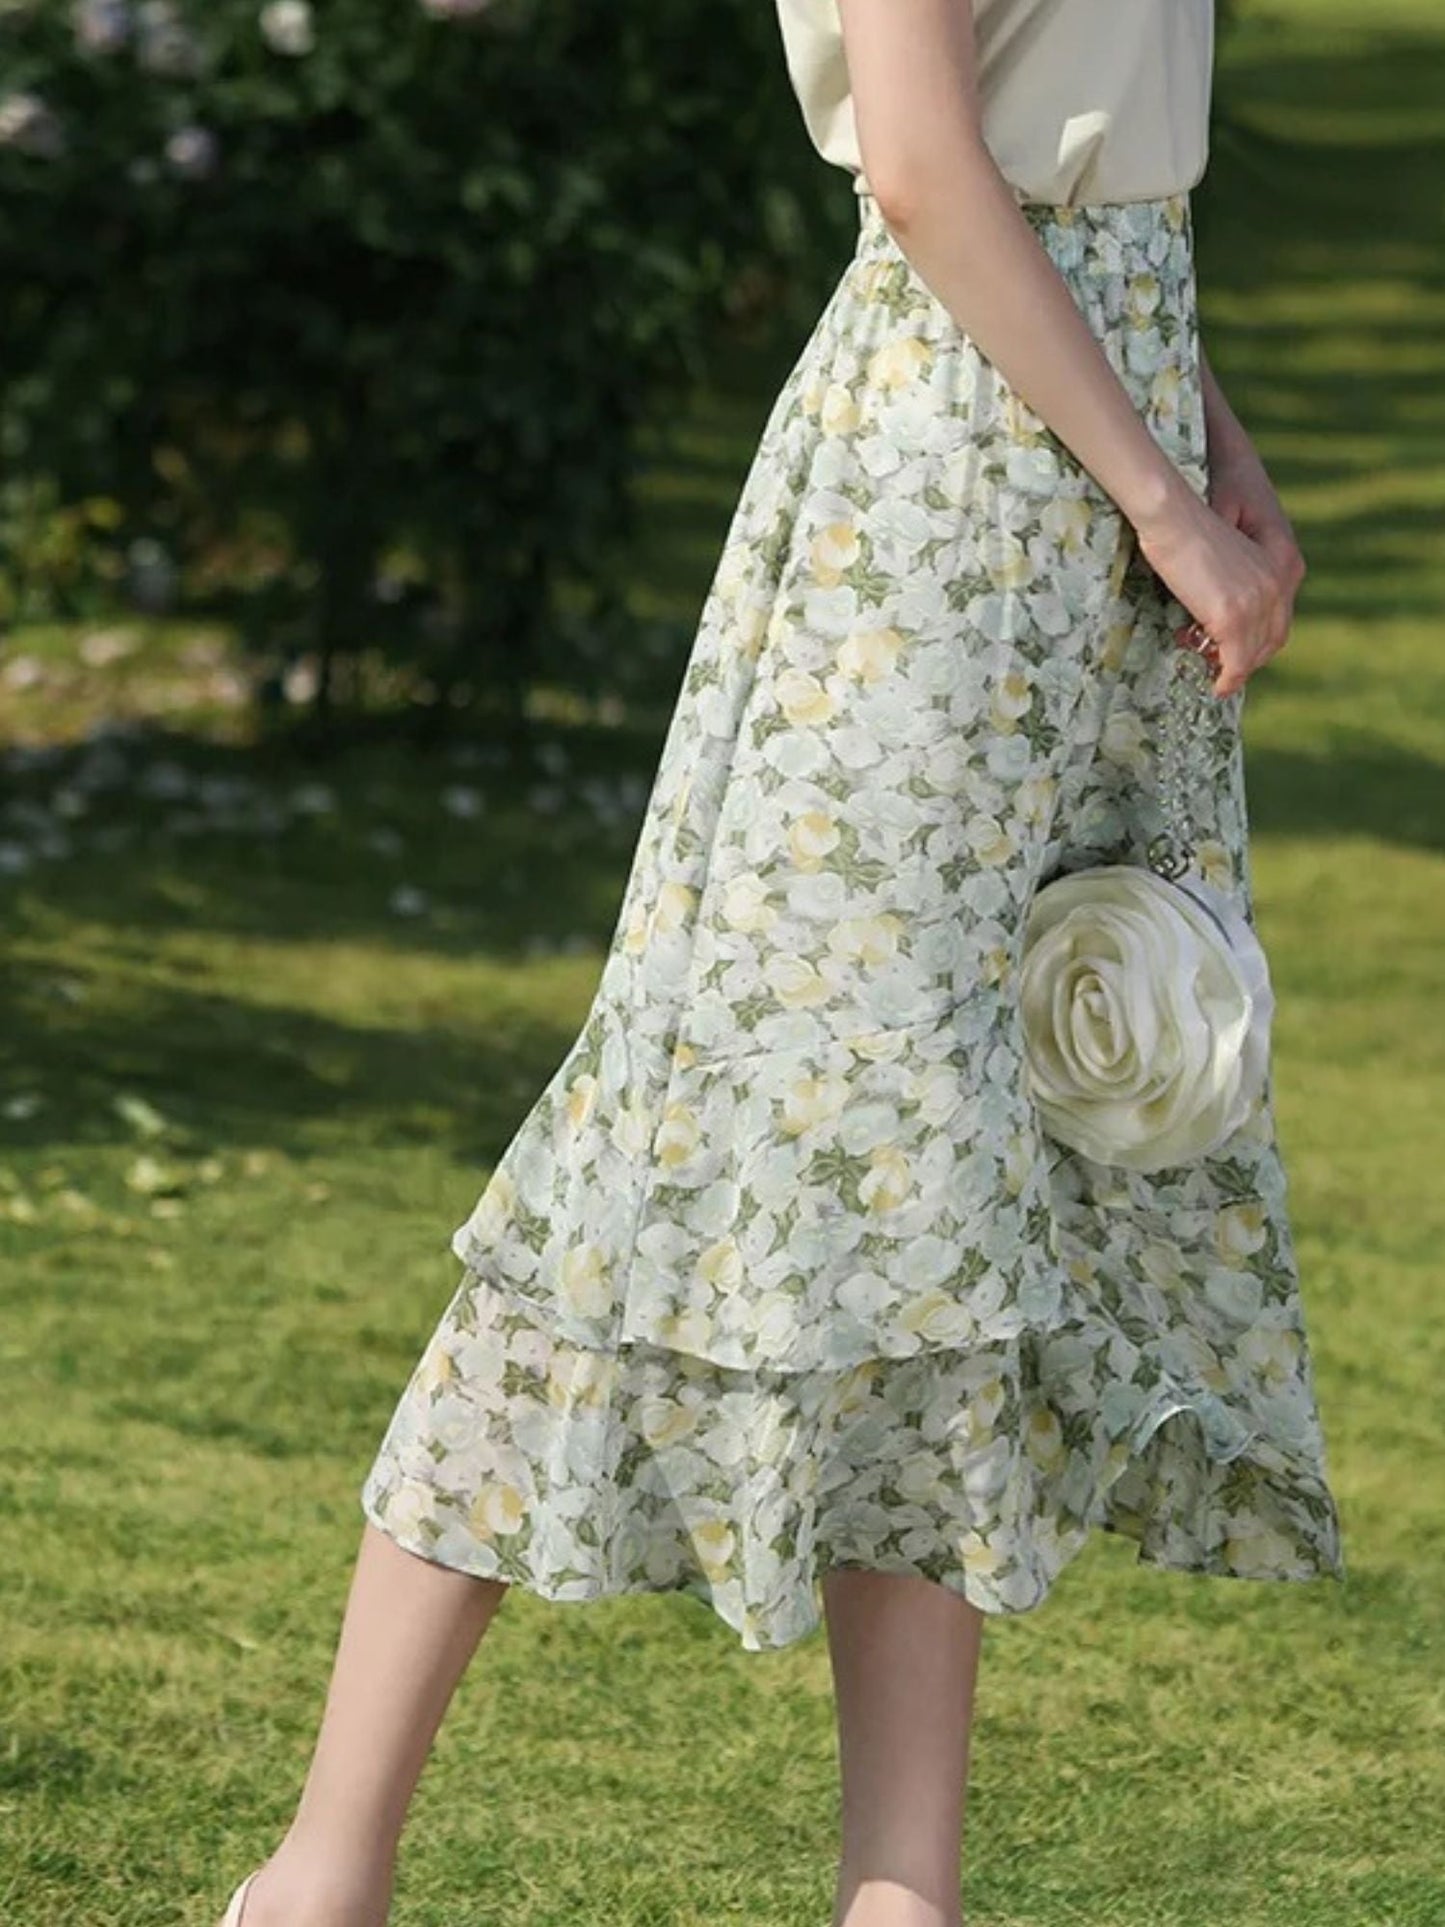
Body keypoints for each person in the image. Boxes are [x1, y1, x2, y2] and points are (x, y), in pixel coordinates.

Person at [216, 2, 1345, 1923]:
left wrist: (1208, 447)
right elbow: (920, 163)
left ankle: (901, 1897)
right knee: (707, 1130)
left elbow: (1099, 177)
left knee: (962, 1173)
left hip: (1088, 467)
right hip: (945, 509)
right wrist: (1161, 497)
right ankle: (323, 1876)